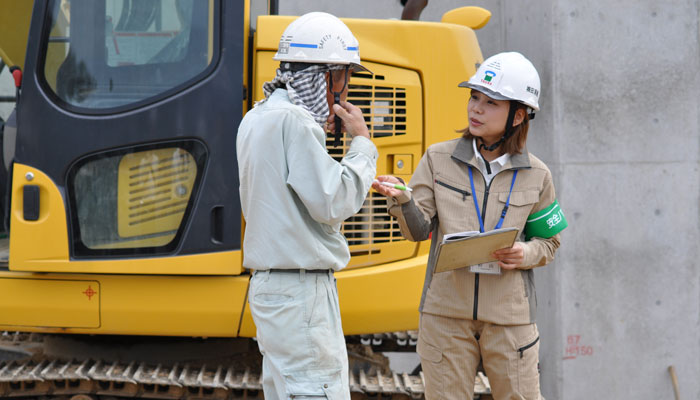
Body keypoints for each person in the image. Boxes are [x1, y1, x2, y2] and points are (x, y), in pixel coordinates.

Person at [372, 52, 567, 399]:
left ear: (518, 115)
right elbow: (417, 231)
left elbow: (549, 244)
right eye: (474, 97)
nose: (476, 109)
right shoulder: (437, 159)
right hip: (446, 314)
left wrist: (524, 252)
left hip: (510, 319)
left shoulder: (538, 174)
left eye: (490, 102)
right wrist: (402, 201)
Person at [236, 11, 377, 400]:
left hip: (270, 286)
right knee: (317, 391)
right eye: (343, 76)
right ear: (327, 75)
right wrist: (362, 145)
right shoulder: (295, 122)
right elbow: (333, 201)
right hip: (300, 290)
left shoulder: (255, 118)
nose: (344, 89)